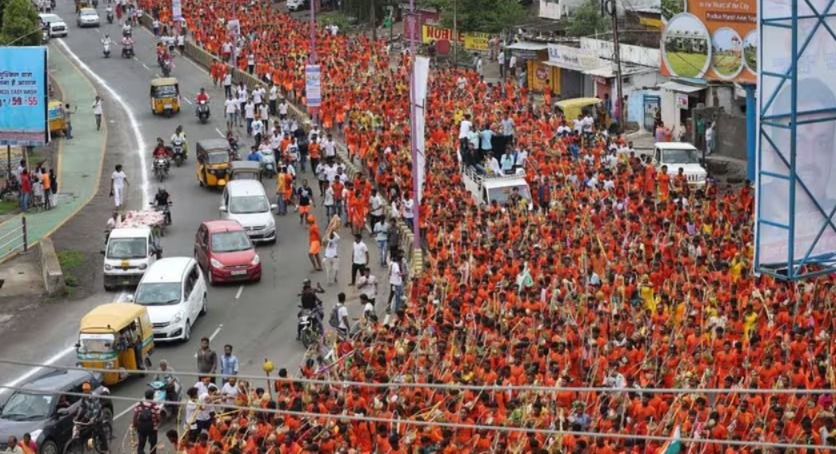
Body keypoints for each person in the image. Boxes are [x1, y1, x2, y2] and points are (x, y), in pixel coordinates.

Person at [75, 382, 108, 452]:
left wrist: (92, 420)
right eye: (84, 390)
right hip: (89, 414)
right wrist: (77, 416)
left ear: (89, 390)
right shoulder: (84, 396)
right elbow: (82, 406)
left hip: (97, 416)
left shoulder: (94, 396)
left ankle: (105, 449)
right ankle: (87, 442)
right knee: (80, 426)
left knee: (100, 432)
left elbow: (96, 410)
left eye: (86, 390)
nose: (85, 391)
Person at [133, 389, 161, 454]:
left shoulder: (138, 404)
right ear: (152, 397)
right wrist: (156, 423)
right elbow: (158, 418)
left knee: (141, 445)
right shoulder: (155, 406)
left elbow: (135, 416)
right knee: (153, 445)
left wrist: (135, 425)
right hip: (152, 429)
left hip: (141, 428)